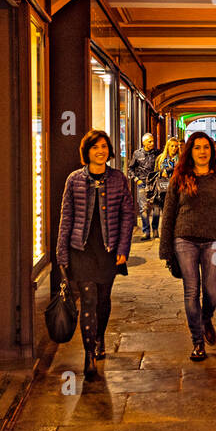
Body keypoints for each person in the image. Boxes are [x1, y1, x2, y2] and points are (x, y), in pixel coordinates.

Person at [56, 129, 135, 380]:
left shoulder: (118, 179)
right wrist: (62, 253)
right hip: (82, 249)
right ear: (87, 151)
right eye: (95, 147)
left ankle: (100, 337)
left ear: (109, 150)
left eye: (104, 146)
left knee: (103, 300)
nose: (100, 151)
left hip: (108, 250)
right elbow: (66, 216)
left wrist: (124, 249)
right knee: (88, 300)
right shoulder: (74, 180)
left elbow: (127, 216)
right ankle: (89, 354)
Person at [159, 130, 216, 361]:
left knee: (212, 291)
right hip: (184, 239)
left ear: (211, 151)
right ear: (190, 151)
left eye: (206, 147)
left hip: (215, 241)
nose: (202, 151)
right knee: (191, 291)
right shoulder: (180, 175)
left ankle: (206, 318)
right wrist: (165, 248)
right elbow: (169, 212)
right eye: (197, 147)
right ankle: (197, 342)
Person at [128, 132, 160, 240]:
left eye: (153, 141)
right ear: (144, 142)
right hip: (142, 183)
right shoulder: (137, 154)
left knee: (156, 208)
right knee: (143, 209)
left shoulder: (157, 153)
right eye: (150, 141)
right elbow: (130, 168)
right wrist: (136, 179)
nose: (152, 143)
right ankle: (146, 232)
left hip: (155, 183)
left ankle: (155, 230)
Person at [148, 137, 182, 236]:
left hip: (174, 187)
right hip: (161, 187)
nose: (174, 148)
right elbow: (155, 172)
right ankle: (155, 230)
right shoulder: (160, 158)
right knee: (156, 210)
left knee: (170, 211)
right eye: (172, 146)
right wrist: (161, 173)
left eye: (176, 146)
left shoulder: (180, 159)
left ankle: (169, 231)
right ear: (168, 147)